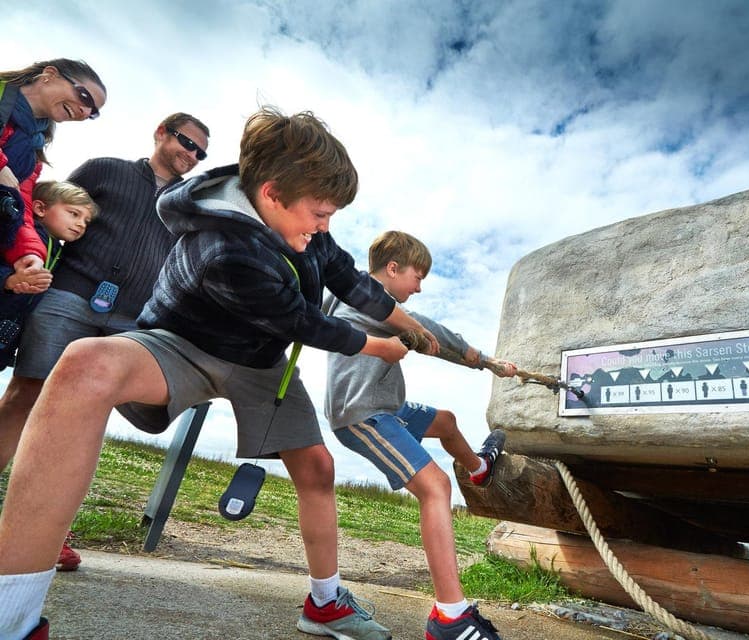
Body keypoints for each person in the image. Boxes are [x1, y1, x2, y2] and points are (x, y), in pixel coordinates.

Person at [0, 107, 439, 640]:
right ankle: (12, 616)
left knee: (318, 466)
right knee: (84, 365)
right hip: (183, 343)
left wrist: (412, 327)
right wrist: (381, 346)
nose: (325, 226)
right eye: (320, 213)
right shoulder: (222, 246)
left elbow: (351, 282)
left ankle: (325, 603)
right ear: (273, 193)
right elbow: (303, 322)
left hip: (259, 360)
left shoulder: (306, 224)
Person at [0, 111, 209, 571]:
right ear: (160, 132)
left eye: (200, 152)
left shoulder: (190, 204)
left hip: (134, 318)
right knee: (26, 393)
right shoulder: (105, 169)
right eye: (186, 142)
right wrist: (28, 258)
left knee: (81, 418)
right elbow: (47, 206)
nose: (191, 155)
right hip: (69, 295)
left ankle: (48, 532)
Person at [324, 230, 517, 640]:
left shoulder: (349, 295)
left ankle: (479, 469)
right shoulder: (370, 299)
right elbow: (436, 335)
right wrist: (487, 362)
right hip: (362, 415)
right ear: (392, 269)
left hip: (388, 408)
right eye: (417, 275)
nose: (421, 285)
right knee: (435, 486)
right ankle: (450, 617)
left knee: (446, 421)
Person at [0, 59, 106, 294]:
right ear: (49, 74)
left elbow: (20, 208)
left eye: (92, 113)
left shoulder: (34, 152)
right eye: (85, 97)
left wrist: (29, 254)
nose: (85, 111)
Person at [0, 180, 97, 370]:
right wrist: (8, 280)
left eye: (86, 221)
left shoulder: (58, 250)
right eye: (74, 214)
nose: (81, 224)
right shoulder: (17, 235)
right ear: (40, 208)